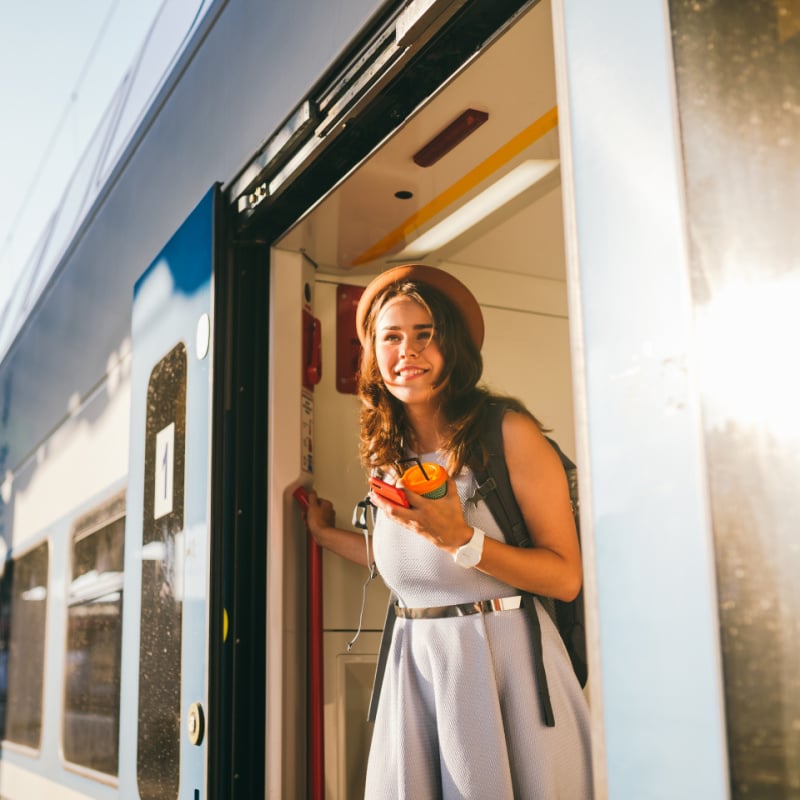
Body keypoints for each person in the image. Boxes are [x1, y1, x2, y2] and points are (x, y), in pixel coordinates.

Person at [305, 264, 593, 799]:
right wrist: (325, 537)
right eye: (390, 337)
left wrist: (462, 539)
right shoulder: (387, 455)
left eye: (425, 335)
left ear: (453, 349)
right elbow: (417, 565)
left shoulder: (507, 433)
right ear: (373, 355)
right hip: (416, 667)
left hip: (506, 670)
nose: (406, 351)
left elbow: (566, 578)